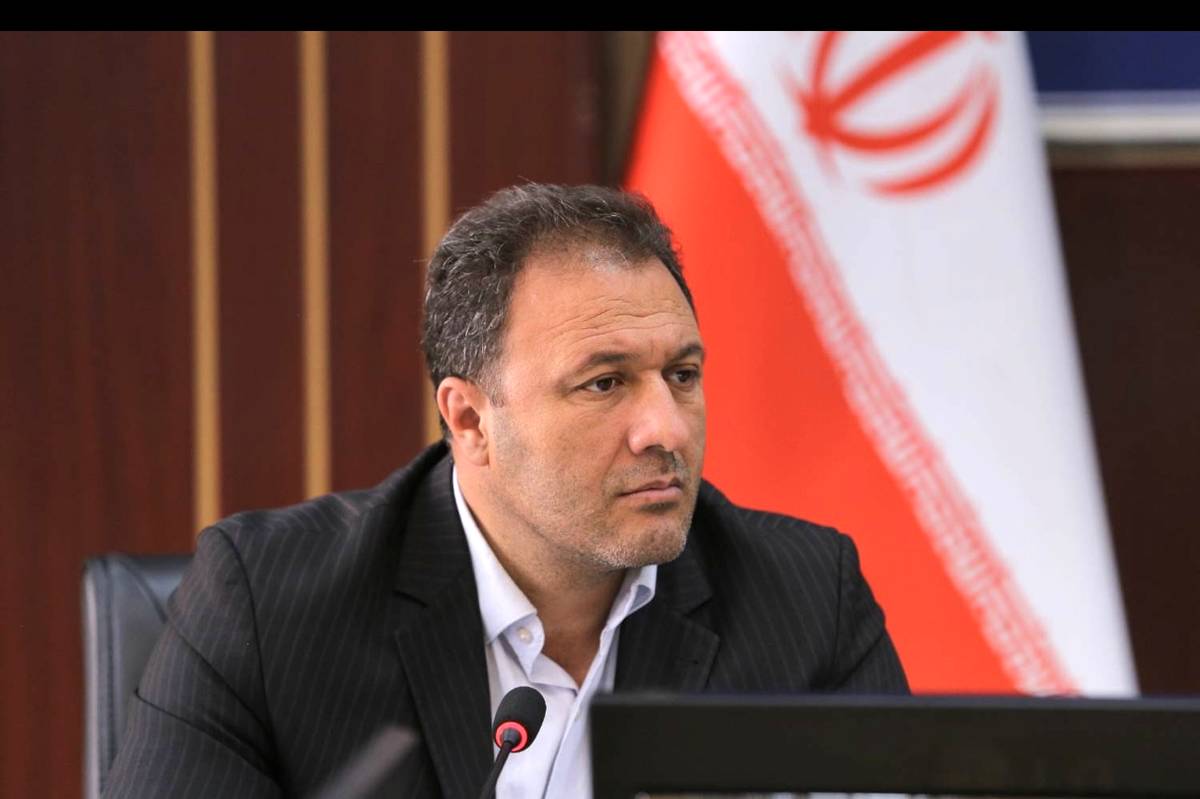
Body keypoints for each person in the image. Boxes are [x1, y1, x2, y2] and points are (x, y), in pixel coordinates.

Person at [105, 184, 908, 799]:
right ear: (470, 420)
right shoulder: (266, 606)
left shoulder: (807, 598)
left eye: (682, 374)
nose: (666, 428)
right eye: (604, 382)